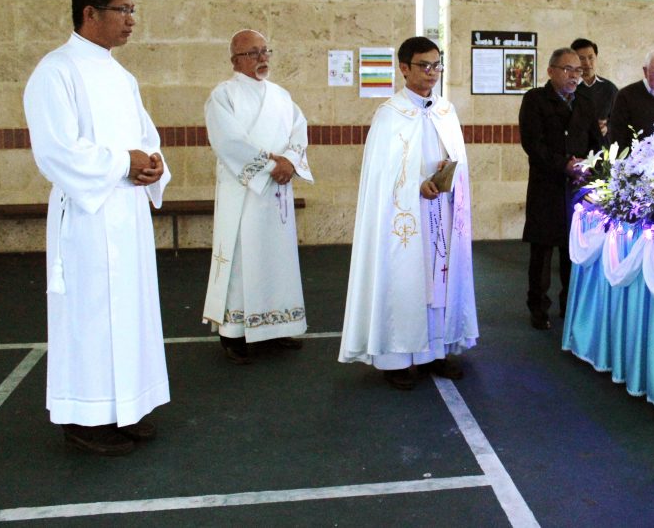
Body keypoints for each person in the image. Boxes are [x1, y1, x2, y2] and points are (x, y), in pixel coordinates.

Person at [23, 0, 169, 456]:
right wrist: (122, 162)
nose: (131, 21)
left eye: (133, 11)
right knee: (91, 315)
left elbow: (146, 138)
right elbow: (56, 151)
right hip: (86, 220)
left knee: (129, 311)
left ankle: (124, 406)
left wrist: (153, 165)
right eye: (122, 10)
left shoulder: (121, 76)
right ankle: (84, 417)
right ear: (90, 12)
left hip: (127, 215)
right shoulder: (56, 71)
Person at [339, 36, 478, 390]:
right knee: (406, 280)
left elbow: (456, 159)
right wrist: (416, 184)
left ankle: (437, 351)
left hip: (442, 215)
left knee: (442, 278)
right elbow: (382, 174)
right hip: (406, 220)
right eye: (423, 65)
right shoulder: (390, 114)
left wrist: (448, 169)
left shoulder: (446, 112)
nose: (432, 72)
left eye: (437, 65)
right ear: (404, 68)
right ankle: (398, 357)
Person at [203, 29, 313, 365]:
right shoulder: (223, 95)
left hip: (278, 190)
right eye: (253, 53)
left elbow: (299, 129)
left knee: (276, 258)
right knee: (241, 258)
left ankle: (277, 324)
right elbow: (228, 142)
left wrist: (291, 162)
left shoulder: (281, 95)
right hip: (244, 192)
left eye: (265, 51)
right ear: (235, 59)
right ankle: (233, 334)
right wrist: (271, 165)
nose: (262, 58)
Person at [519, 47, 602, 330]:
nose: (574, 76)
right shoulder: (535, 100)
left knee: (573, 249)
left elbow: (596, 143)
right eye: (568, 70)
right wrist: (563, 163)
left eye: (578, 71)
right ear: (551, 70)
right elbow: (533, 144)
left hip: (577, 188)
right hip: (546, 184)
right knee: (542, 251)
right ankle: (538, 309)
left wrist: (591, 165)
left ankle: (570, 306)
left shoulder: (585, 102)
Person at [571, 38, 617, 144]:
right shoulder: (568, 88)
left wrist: (607, 127)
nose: (587, 63)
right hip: (575, 153)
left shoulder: (610, 88)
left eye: (591, 57)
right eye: (581, 58)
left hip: (604, 151)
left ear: (596, 57)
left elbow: (620, 118)